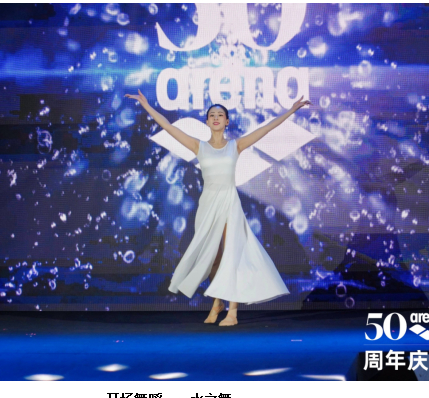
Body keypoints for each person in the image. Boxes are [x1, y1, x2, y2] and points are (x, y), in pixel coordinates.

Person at [125, 90, 311, 326]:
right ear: (206, 121)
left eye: (220, 115)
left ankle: (233, 312)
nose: (215, 118)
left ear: (227, 121)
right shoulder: (198, 146)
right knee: (212, 258)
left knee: (233, 252)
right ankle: (217, 303)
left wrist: (291, 110)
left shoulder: (236, 145)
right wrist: (146, 105)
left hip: (229, 202)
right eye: (211, 115)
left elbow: (266, 129)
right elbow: (168, 127)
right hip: (208, 205)